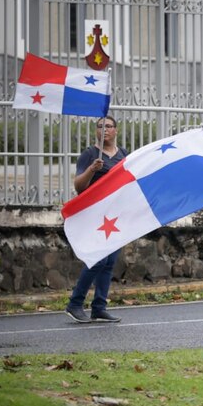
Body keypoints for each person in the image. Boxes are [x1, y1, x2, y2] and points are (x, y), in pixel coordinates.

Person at [64, 116, 128, 324]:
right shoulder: (90, 154)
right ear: (96, 132)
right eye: (100, 127)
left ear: (116, 130)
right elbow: (79, 187)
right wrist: (92, 169)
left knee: (109, 262)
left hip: (115, 215)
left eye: (108, 126)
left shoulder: (123, 155)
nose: (104, 130)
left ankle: (99, 307)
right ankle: (75, 304)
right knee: (98, 259)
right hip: (95, 214)